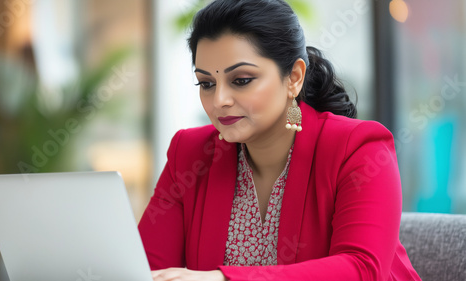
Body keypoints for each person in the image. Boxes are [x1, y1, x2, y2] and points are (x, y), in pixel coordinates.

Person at [138, 0, 421, 280]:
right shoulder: (189, 154)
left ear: (294, 78)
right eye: (207, 84)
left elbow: (361, 270)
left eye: (241, 79)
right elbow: (145, 270)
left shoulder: (358, 148)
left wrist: (222, 279)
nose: (219, 101)